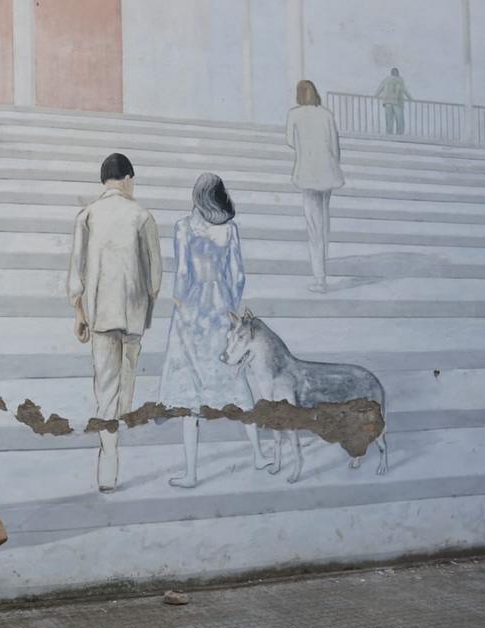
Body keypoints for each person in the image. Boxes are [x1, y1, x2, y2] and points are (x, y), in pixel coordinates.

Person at [158, 173, 276, 488]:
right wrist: (228, 303)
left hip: (191, 315)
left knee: (191, 392)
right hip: (221, 309)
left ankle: (192, 473)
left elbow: (182, 275)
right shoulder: (230, 230)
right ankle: (258, 454)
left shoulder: (183, 228)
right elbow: (237, 276)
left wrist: (181, 302)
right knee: (237, 383)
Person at [67, 152, 162, 493]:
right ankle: (117, 428)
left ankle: (108, 460)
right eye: (132, 180)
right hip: (134, 316)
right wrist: (146, 308)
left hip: (101, 314)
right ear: (126, 179)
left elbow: (76, 270)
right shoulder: (143, 216)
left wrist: (80, 312)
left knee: (105, 387)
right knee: (126, 384)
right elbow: (155, 278)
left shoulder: (87, 215)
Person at [285, 80, 345, 294]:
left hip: (307, 173)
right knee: (324, 224)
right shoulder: (327, 114)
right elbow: (336, 146)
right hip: (327, 172)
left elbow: (290, 141)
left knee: (314, 227)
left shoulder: (294, 114)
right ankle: (323, 270)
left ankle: (320, 279)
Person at [375, 67, 413, 135]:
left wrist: (375, 96)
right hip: (397, 102)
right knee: (399, 119)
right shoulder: (400, 80)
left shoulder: (386, 79)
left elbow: (380, 88)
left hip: (387, 101)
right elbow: (405, 90)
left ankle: (389, 133)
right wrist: (411, 99)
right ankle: (399, 134)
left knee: (389, 119)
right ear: (397, 73)